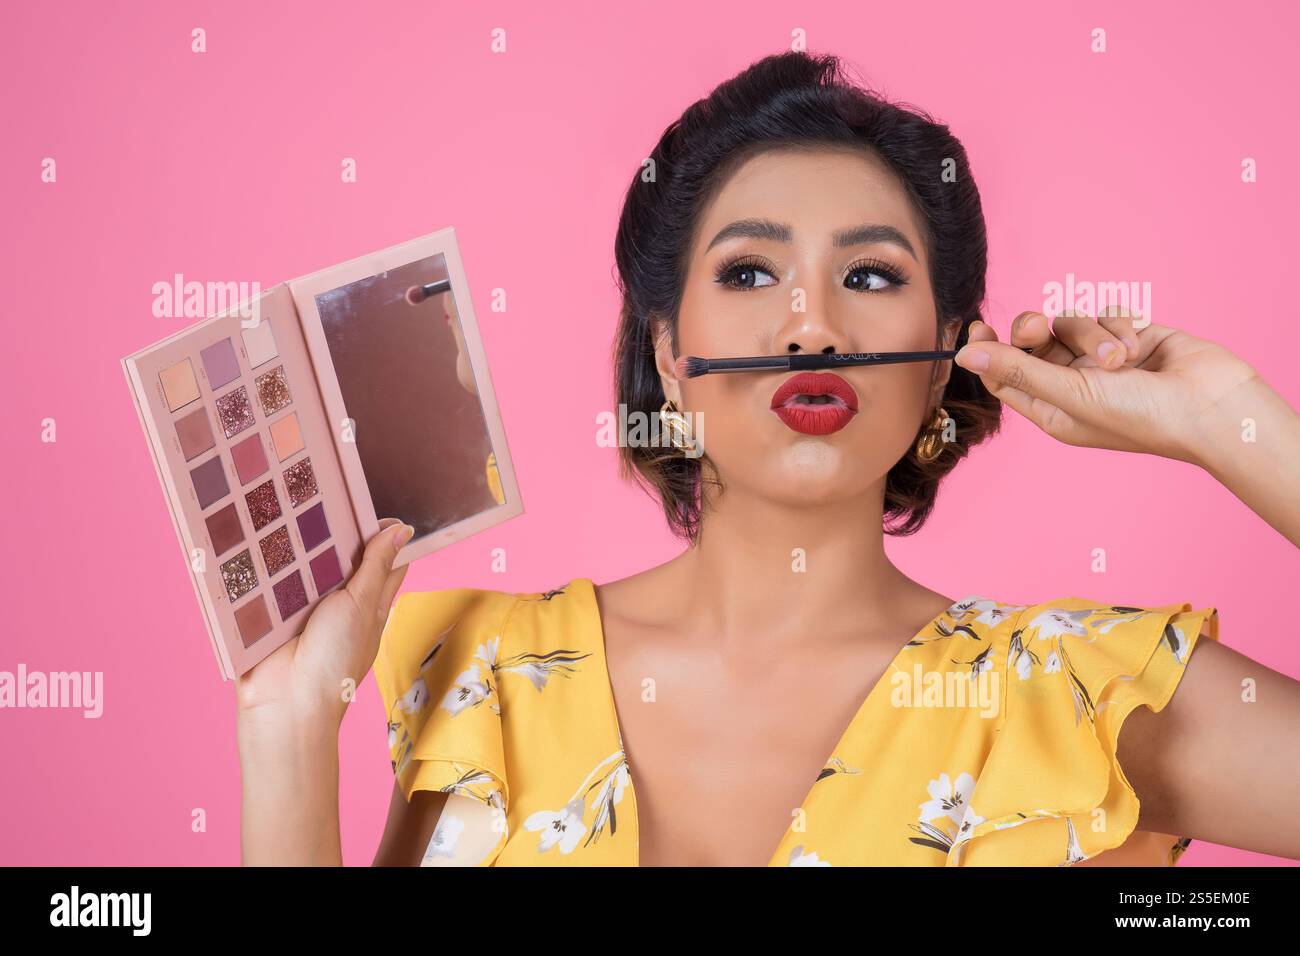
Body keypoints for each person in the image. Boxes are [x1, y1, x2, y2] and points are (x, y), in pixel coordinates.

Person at [237, 50, 1300, 867]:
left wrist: (1230, 424)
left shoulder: (1080, 693)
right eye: (749, 272)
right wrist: (288, 735)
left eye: (871, 276)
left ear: (944, 357)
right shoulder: (485, 673)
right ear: (669, 352)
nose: (811, 326)